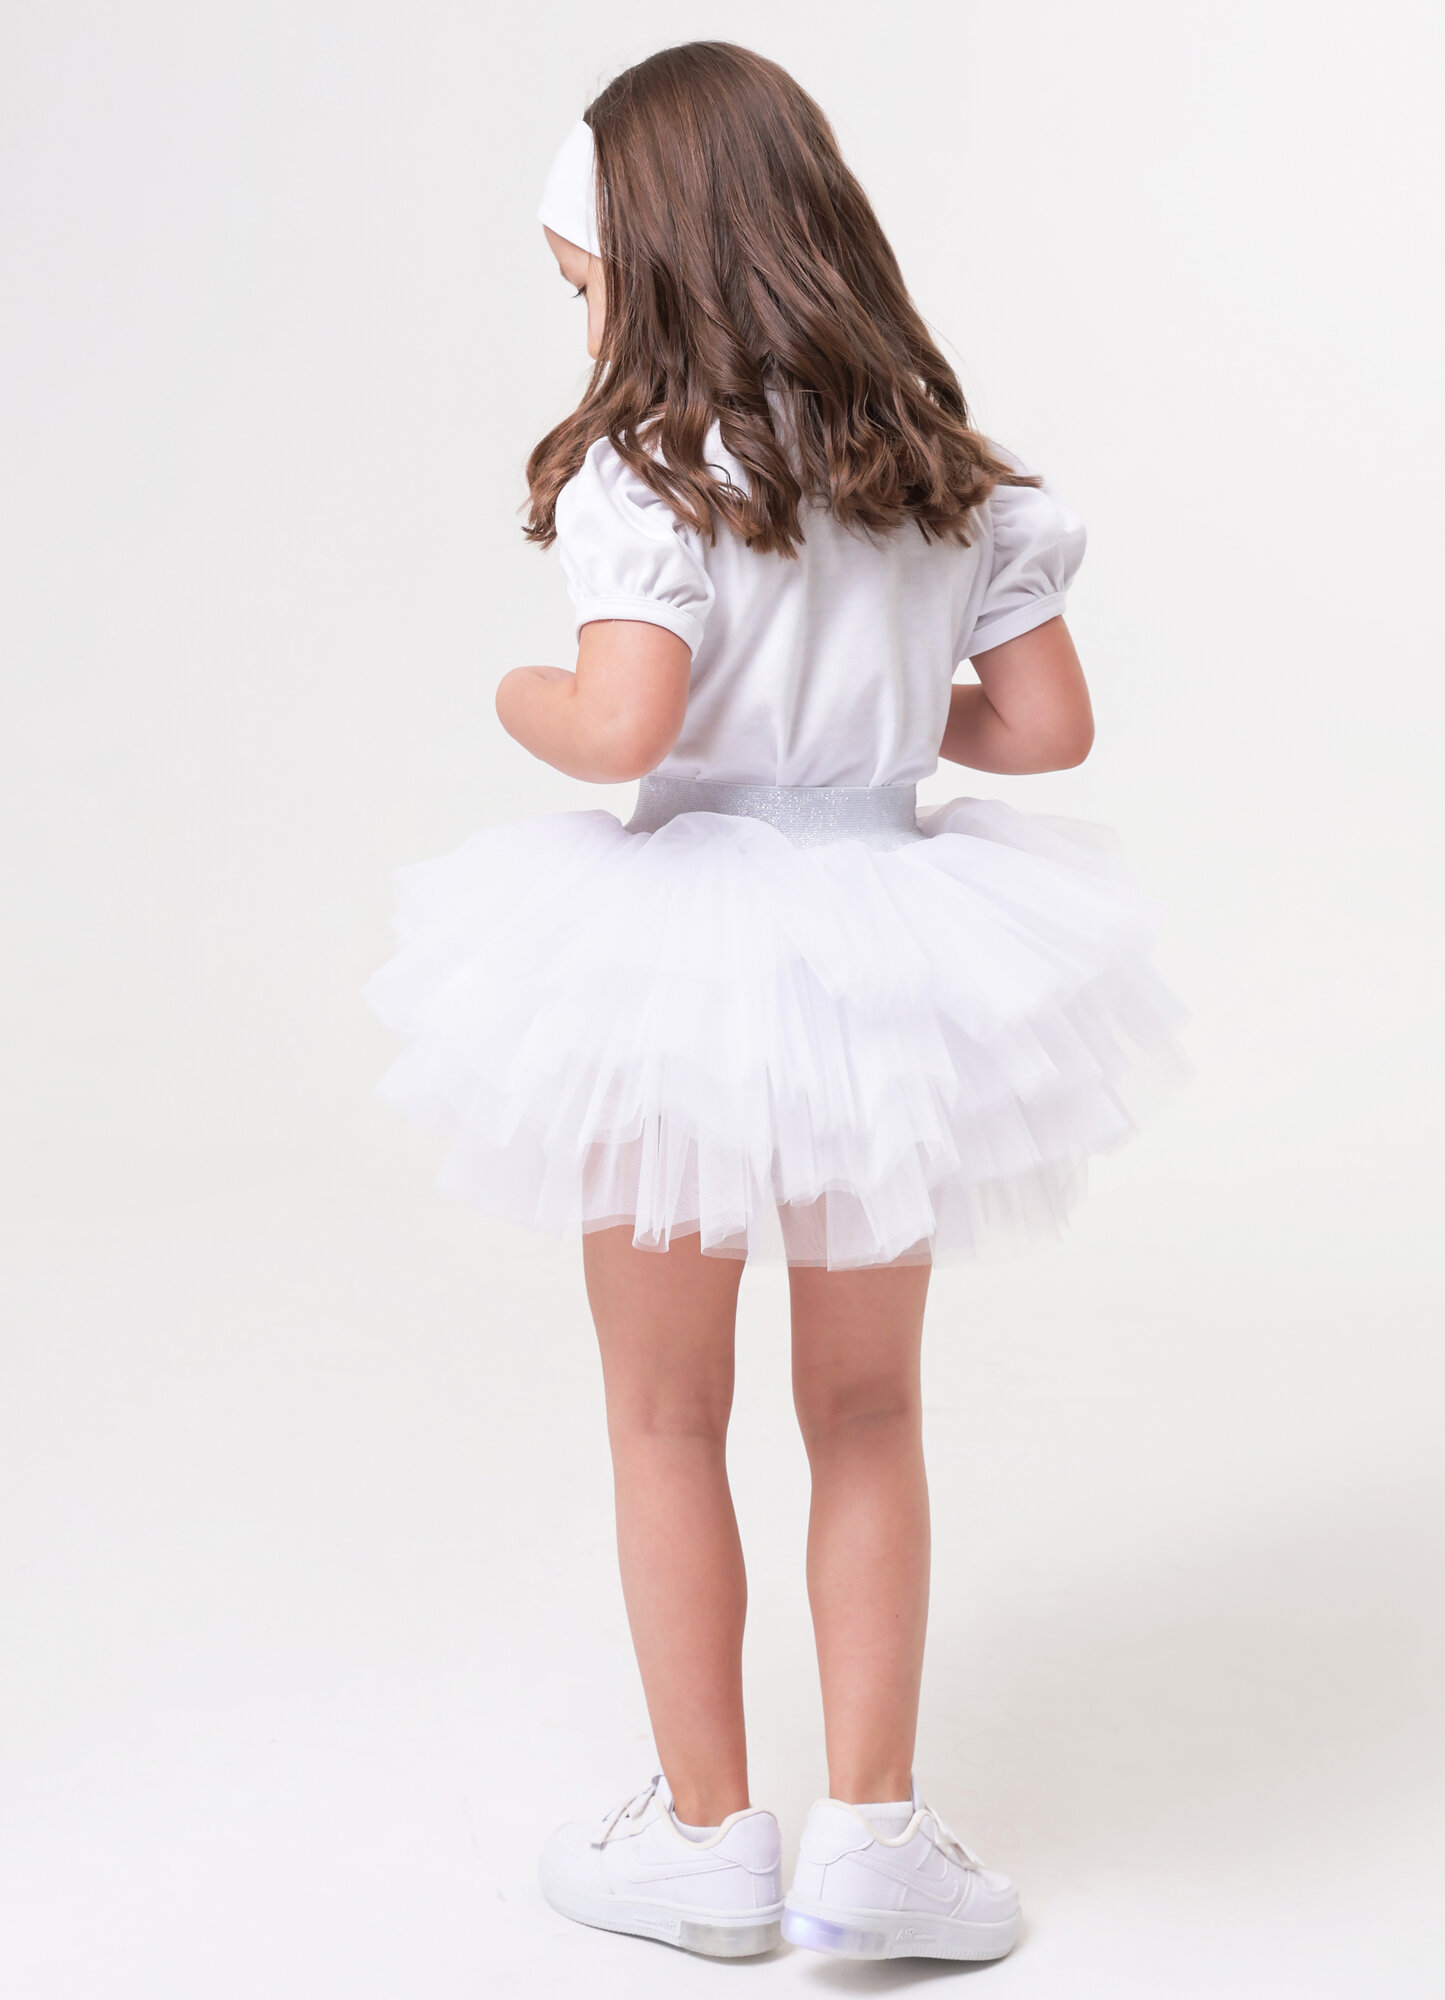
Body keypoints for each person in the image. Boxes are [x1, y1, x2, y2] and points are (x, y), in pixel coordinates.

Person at [365, 40, 1182, 1964]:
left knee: (666, 1414)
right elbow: (1047, 728)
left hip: (677, 964)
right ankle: (875, 1837)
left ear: (654, 262)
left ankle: (706, 1839)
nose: (584, 324)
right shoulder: (939, 471)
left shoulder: (650, 471)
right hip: (889, 953)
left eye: (587, 285)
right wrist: (882, 712)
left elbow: (623, 725)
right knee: (871, 1408)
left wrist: (518, 695)